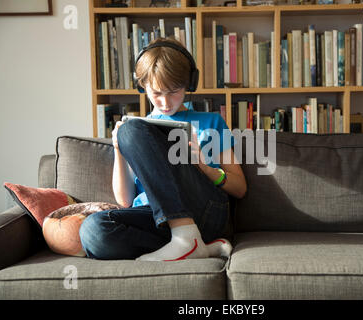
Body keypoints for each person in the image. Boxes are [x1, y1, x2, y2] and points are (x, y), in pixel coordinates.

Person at [79, 38, 247, 261]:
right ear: (143, 87)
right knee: (93, 230)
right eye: (156, 93)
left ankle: (186, 236)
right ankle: (197, 248)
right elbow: (125, 201)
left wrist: (204, 168)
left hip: (203, 212)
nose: (165, 102)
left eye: (174, 91)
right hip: (154, 218)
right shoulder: (137, 132)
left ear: (189, 84)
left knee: (131, 129)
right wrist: (120, 147)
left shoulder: (212, 122)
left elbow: (240, 188)